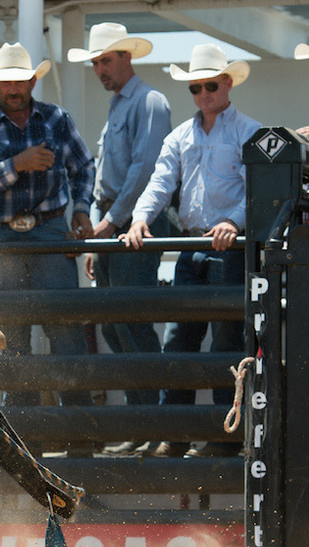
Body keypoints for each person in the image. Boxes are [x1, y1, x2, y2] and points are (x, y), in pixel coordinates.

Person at [122, 44, 261, 458]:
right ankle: (178, 434)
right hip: (194, 247)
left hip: (228, 248)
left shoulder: (248, 132)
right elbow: (160, 182)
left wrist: (234, 222)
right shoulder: (182, 135)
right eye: (196, 86)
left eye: (210, 84)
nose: (203, 92)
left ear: (227, 83)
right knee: (180, 342)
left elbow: (258, 190)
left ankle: (222, 438)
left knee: (223, 344)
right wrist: (139, 218)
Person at [0, 42, 96, 422]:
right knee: (10, 335)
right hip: (3, 237)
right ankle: (25, 430)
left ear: (33, 80)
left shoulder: (57, 119)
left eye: (19, 80)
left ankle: (79, 429)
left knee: (63, 329)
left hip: (47, 231)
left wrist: (82, 209)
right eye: (6, 82)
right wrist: (16, 164)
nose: (13, 88)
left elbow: (84, 166)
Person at [68, 22, 172, 455]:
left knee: (130, 320)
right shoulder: (125, 104)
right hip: (118, 228)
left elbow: (145, 170)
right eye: (95, 62)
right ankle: (145, 422)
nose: (99, 69)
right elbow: (105, 176)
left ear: (127, 58)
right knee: (116, 324)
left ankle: (158, 424)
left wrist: (105, 224)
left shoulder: (150, 101)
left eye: (105, 60)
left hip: (136, 227)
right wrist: (100, 228)